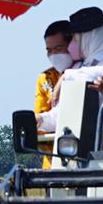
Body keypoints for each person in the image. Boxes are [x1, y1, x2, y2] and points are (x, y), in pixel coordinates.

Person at [34, 19, 73, 167]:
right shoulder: (44, 79)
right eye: (49, 51)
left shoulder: (89, 71)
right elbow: (39, 122)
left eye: (58, 49)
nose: (53, 55)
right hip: (52, 163)